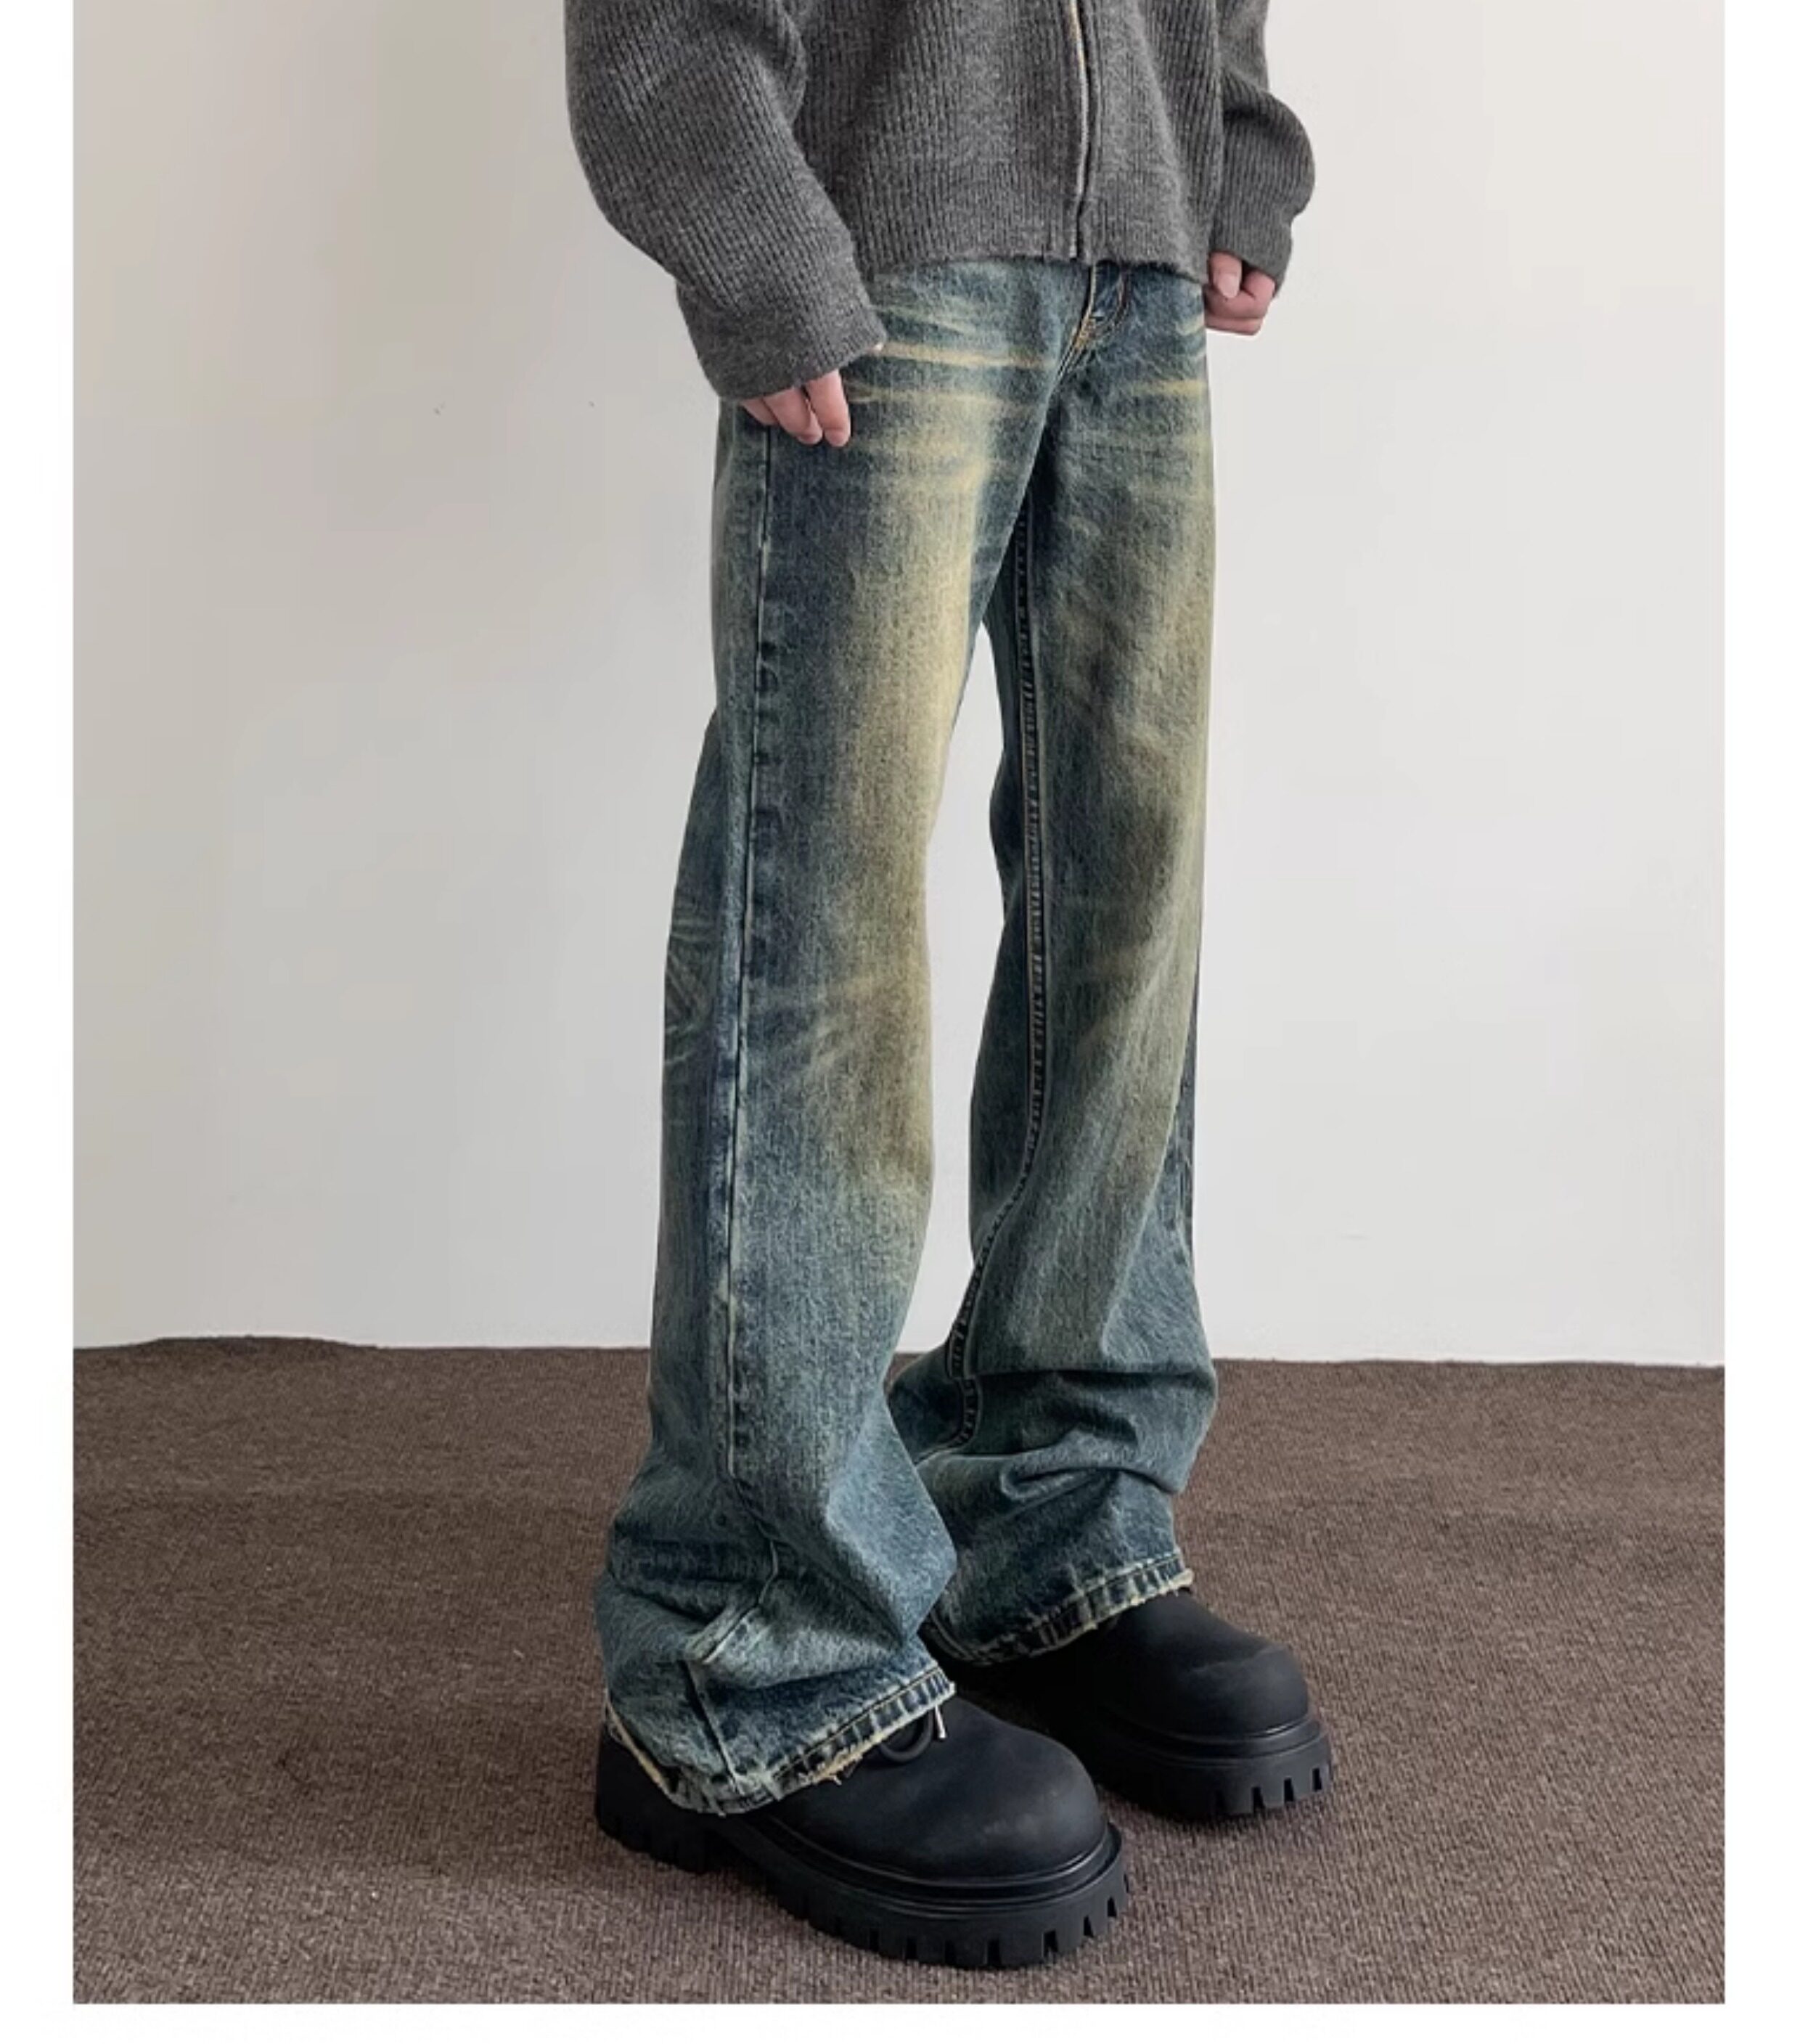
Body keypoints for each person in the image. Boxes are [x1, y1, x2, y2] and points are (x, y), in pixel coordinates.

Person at [565, 1, 1326, 1970]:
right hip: (880, 258)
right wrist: (758, 240)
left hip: (1137, 266)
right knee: (818, 921)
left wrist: (1231, 132)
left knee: (1126, 898)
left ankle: (1052, 1516)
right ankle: (748, 1644)